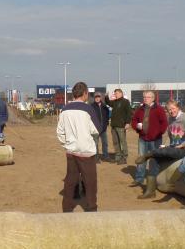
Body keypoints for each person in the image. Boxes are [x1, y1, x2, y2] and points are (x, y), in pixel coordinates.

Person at [134, 100, 185, 199]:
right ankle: (150, 191)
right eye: (169, 110)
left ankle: (147, 154)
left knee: (166, 151)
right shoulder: (170, 119)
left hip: (184, 150)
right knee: (154, 160)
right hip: (173, 149)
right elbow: (170, 136)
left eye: (173, 108)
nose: (171, 111)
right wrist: (164, 145)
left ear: (178, 107)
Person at [56, 81, 100, 212]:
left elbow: (59, 132)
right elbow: (97, 129)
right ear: (85, 93)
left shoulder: (64, 110)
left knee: (70, 181)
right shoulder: (88, 109)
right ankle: (91, 208)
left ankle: (67, 208)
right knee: (90, 182)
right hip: (86, 151)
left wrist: (67, 144)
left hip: (71, 151)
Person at [131, 91, 168, 194]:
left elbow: (164, 123)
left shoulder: (159, 109)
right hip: (143, 138)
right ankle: (139, 178)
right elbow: (133, 120)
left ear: (153, 98)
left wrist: (158, 133)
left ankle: (153, 181)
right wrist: (136, 127)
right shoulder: (140, 109)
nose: (145, 99)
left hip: (155, 139)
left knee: (154, 160)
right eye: (144, 97)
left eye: (147, 97)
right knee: (141, 158)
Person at [105, 88, 132, 164]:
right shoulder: (115, 102)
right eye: (114, 93)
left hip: (121, 126)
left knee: (122, 142)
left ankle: (124, 157)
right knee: (115, 142)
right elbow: (109, 103)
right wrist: (106, 97)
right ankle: (118, 156)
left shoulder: (125, 102)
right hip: (113, 125)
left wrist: (127, 123)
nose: (115, 95)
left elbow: (129, 113)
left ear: (121, 93)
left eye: (116, 93)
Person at [91, 92, 110, 162]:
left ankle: (105, 156)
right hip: (95, 129)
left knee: (105, 143)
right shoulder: (92, 106)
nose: (97, 98)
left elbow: (107, 115)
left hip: (103, 128)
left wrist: (106, 123)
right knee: (95, 143)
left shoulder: (104, 106)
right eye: (96, 97)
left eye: (98, 97)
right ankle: (96, 157)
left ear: (101, 97)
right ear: (94, 98)